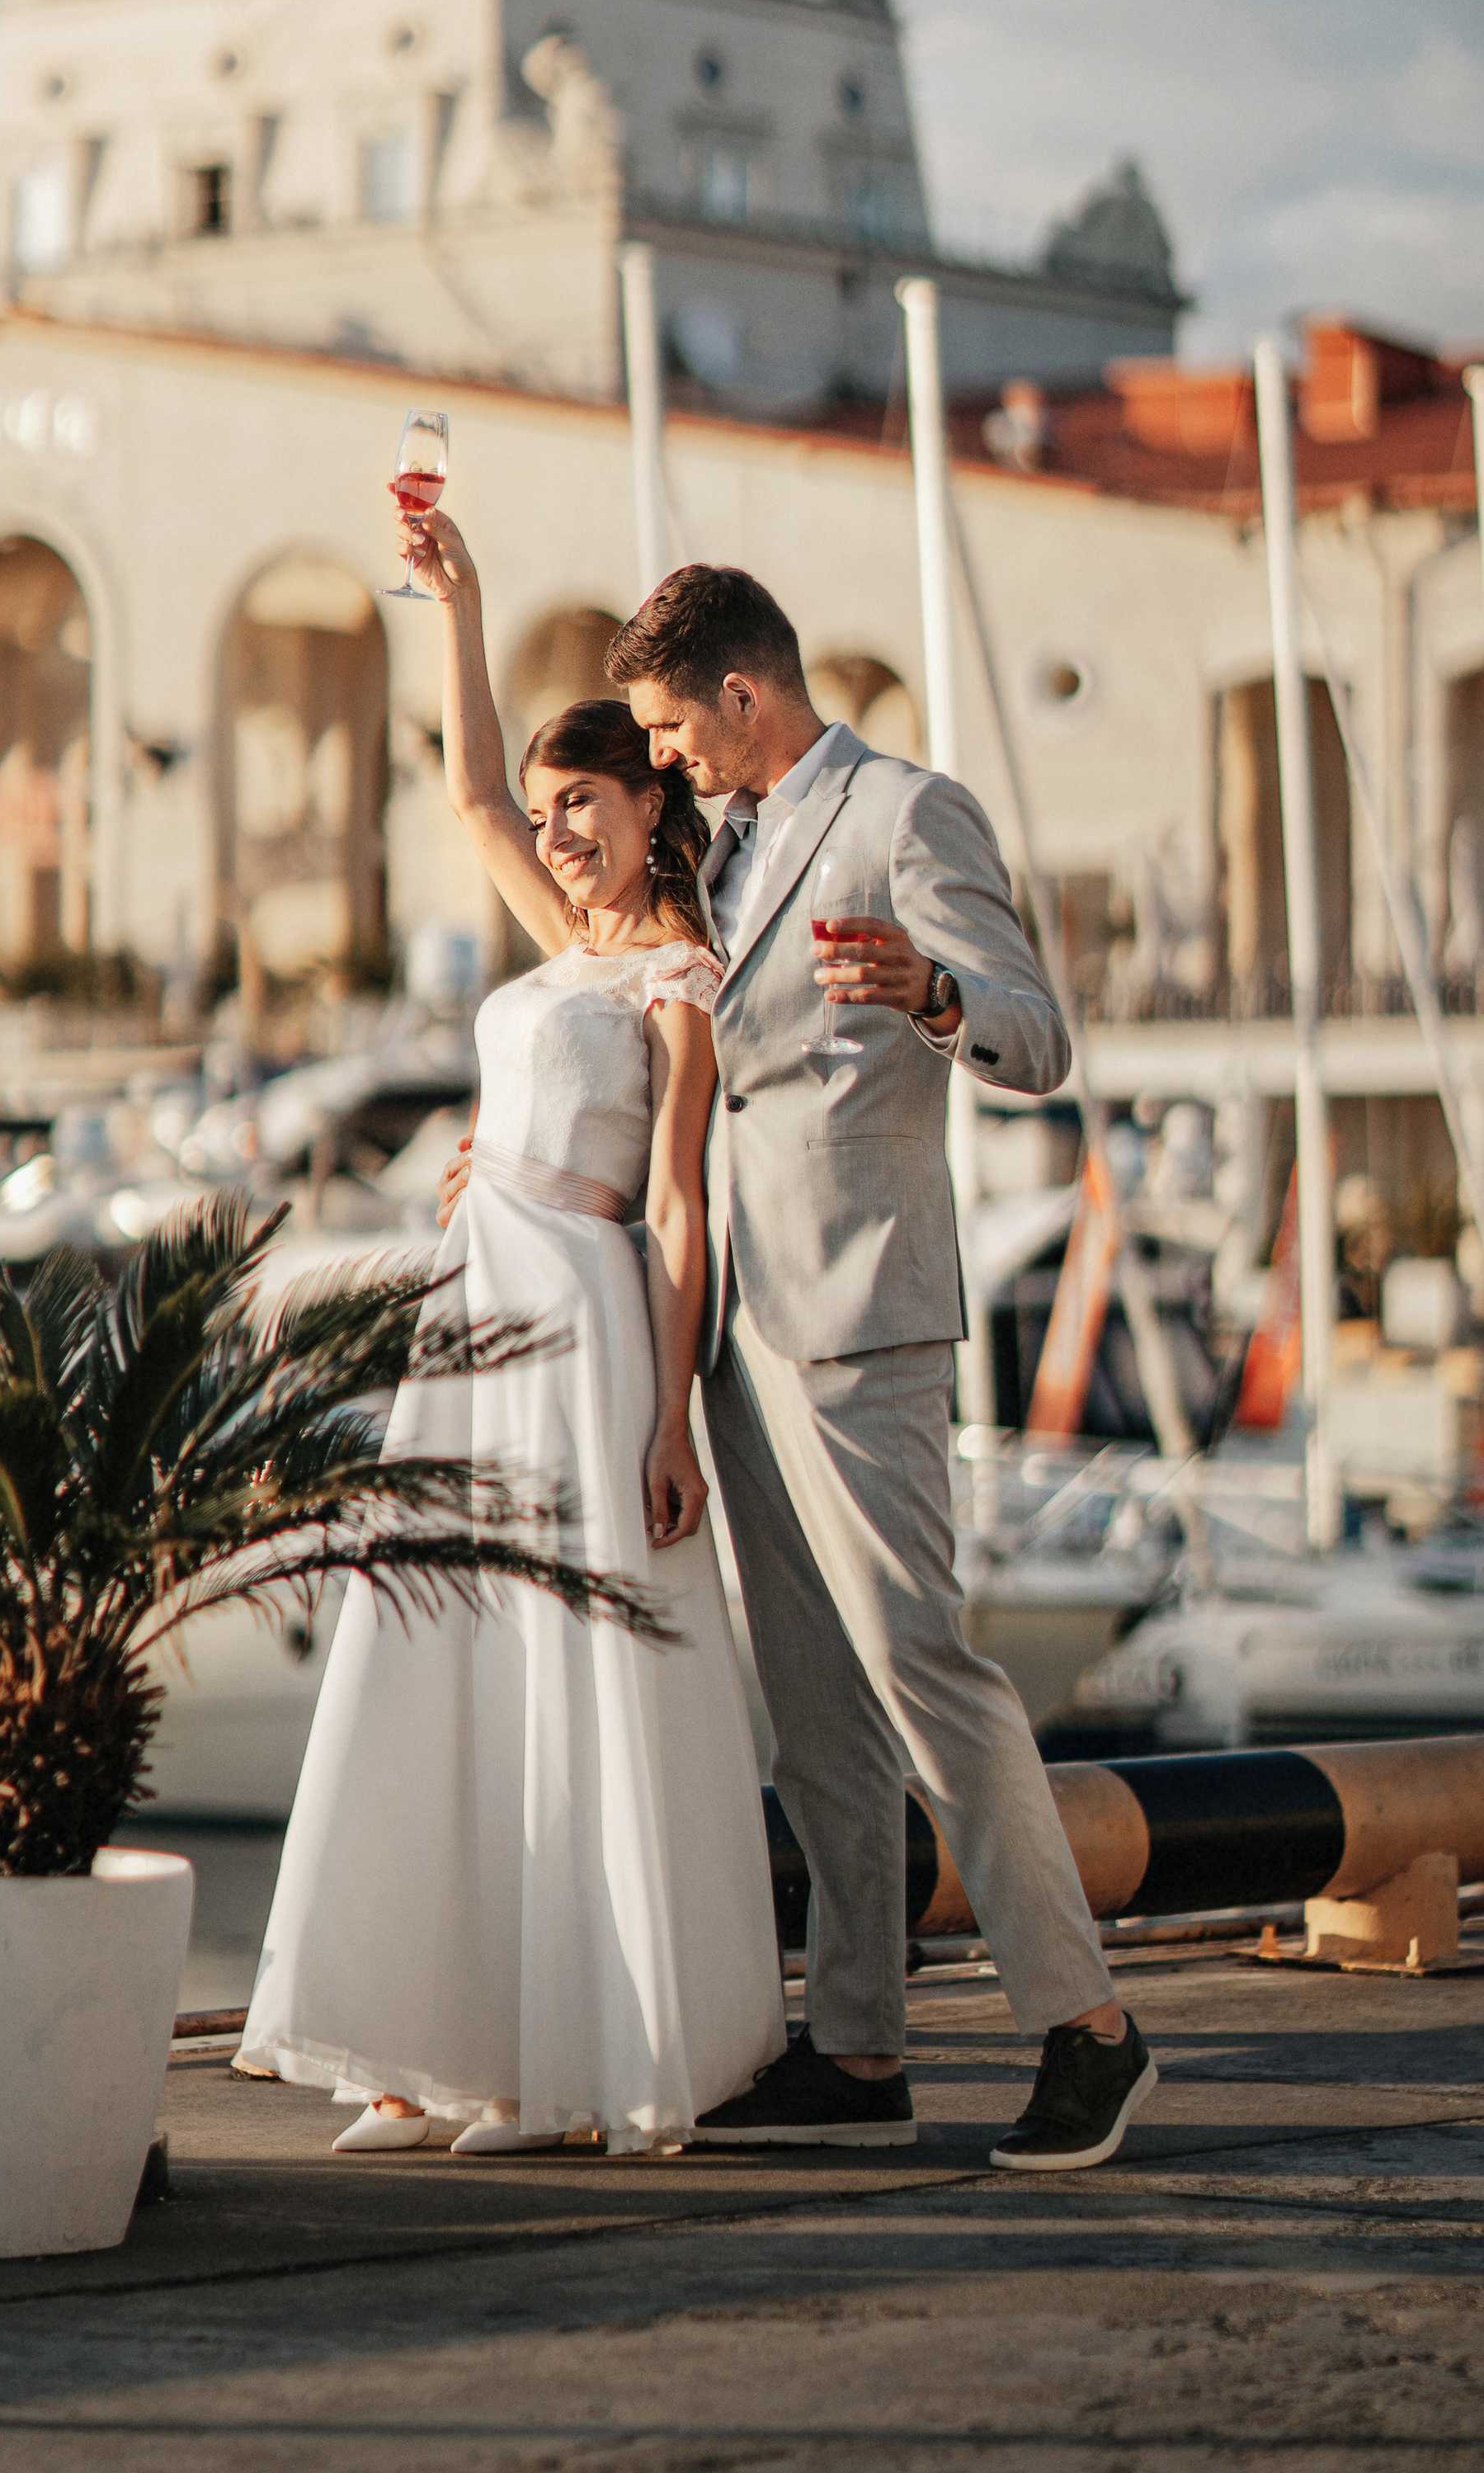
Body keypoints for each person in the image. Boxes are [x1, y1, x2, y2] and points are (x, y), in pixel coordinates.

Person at [235, 505, 782, 2156]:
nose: (553, 834)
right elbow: (463, 787)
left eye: (586, 806)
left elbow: (681, 1205)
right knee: (439, 1655)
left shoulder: (680, 976)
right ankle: (418, 2041)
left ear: (650, 802)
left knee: (567, 1669)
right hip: (472, 1313)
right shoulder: (561, 945)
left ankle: (568, 2065)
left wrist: (670, 1415)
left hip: (588, 1325)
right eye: (548, 813)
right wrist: (453, 600)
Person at [598, 562, 1156, 2173]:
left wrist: (931, 994)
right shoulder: (721, 845)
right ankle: (855, 2048)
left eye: (668, 728)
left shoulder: (906, 813)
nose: (664, 760)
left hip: (864, 1319)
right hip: (737, 1336)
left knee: (925, 1673)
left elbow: (1038, 1040)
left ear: (741, 696)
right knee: (812, 1719)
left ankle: (1087, 2031)